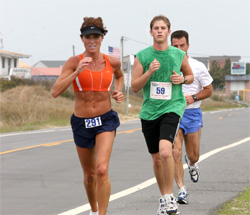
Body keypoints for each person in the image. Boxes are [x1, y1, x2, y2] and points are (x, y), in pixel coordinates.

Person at [51, 17, 124, 215]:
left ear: (102, 38)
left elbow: (119, 75)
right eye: (88, 37)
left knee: (101, 170)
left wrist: (118, 91)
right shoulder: (73, 62)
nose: (92, 40)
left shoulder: (112, 61)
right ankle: (93, 210)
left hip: (105, 121)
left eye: (96, 36)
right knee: (90, 175)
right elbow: (55, 92)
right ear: (82, 39)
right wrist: (77, 72)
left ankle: (102, 213)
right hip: (81, 122)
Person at [131, 15, 194, 215]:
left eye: (163, 28)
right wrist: (148, 73)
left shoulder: (178, 54)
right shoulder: (142, 56)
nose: (159, 31)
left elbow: (190, 75)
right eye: (156, 28)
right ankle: (163, 197)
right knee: (157, 158)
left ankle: (169, 198)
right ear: (151, 32)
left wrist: (182, 79)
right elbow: (134, 87)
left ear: (168, 32)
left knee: (166, 151)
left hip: (172, 107)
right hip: (149, 112)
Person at [171, 30, 213, 204]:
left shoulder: (198, 66)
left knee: (193, 154)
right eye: (175, 46)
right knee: (175, 152)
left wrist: (193, 97)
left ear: (188, 46)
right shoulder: (166, 64)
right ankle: (181, 190)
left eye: (182, 45)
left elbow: (209, 90)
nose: (179, 49)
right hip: (173, 112)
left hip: (192, 112)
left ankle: (192, 163)